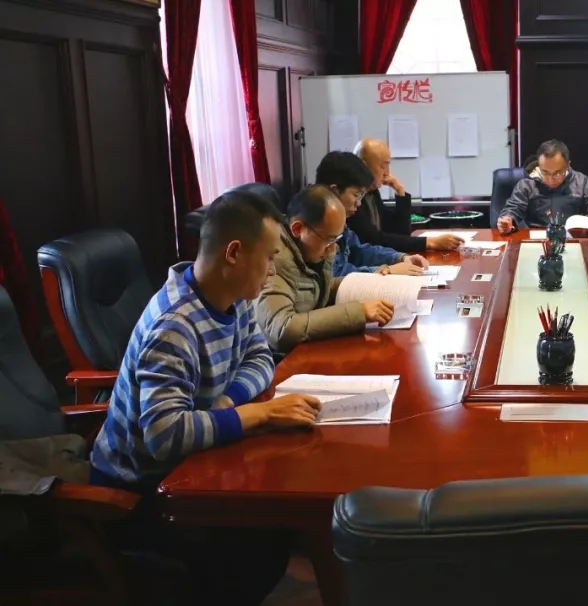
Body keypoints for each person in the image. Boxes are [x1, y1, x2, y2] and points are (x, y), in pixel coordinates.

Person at [88, 189, 323, 604]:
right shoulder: (174, 326)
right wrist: (261, 414)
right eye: (269, 257)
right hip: (139, 493)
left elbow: (260, 358)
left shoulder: (234, 297)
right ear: (234, 253)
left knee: (276, 526)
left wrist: (227, 402)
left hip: (198, 463)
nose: (273, 270)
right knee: (256, 553)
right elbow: (164, 435)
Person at [256, 185, 395, 353]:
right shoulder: (274, 260)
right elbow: (282, 329)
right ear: (298, 229)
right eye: (329, 240)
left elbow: (318, 290)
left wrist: (368, 280)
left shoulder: (311, 250)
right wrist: (360, 312)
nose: (333, 249)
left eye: (336, 239)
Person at [314, 151, 428, 277]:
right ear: (334, 191)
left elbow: (360, 251)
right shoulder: (316, 223)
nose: (359, 203)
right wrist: (385, 270)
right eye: (356, 195)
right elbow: (335, 274)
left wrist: (400, 257)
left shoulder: (341, 222)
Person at [352, 138, 464, 252]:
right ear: (364, 166)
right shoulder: (352, 199)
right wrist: (429, 242)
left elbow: (400, 233)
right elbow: (374, 240)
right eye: (383, 166)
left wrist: (400, 191)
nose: (387, 173)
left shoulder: (373, 193)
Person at [496, 140, 588, 233]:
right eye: (545, 172)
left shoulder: (582, 183)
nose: (551, 179)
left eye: (557, 173)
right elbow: (512, 209)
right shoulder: (527, 185)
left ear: (567, 165)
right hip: (537, 240)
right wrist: (507, 220)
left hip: (572, 239)